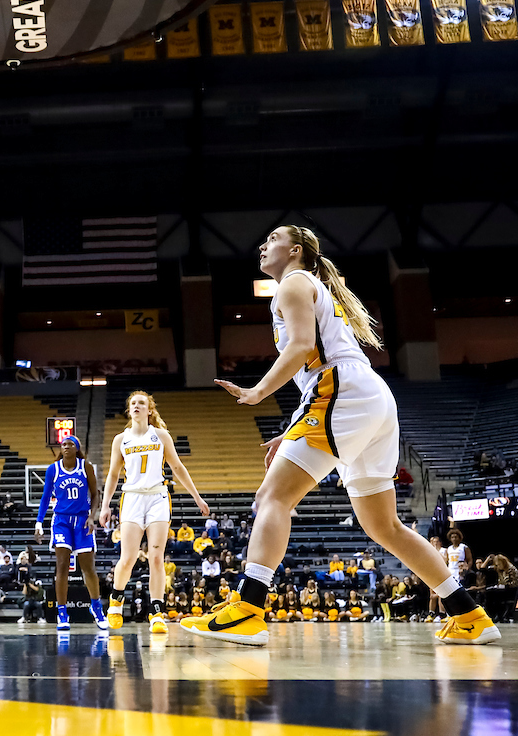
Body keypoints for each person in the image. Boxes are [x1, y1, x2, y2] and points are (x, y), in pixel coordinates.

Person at [185, 225, 499, 646]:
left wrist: (258, 391)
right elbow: (315, 364)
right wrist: (292, 429)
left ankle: (247, 608)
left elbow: (300, 348)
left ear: (295, 251)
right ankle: (469, 615)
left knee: (272, 497)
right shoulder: (309, 285)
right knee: (384, 526)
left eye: (272, 239)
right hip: (365, 398)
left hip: (341, 393)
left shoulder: (293, 282)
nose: (262, 245)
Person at [99, 392, 209, 635]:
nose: (137, 406)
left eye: (142, 403)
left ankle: (156, 612)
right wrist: (105, 505)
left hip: (158, 496)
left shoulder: (161, 435)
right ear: (129, 410)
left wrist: (197, 497)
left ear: (149, 410)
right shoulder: (121, 439)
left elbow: (177, 466)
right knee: (128, 557)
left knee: (156, 557)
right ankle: (116, 601)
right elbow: (113, 474)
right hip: (132, 497)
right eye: (133, 403)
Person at [33, 435, 108, 631]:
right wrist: (39, 522)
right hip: (61, 521)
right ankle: (62, 612)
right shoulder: (53, 469)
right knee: (62, 567)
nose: (66, 446)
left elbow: (95, 494)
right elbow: (45, 496)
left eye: (70, 444)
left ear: (77, 448)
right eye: (64, 444)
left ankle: (96, 607)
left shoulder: (86, 467)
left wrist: (92, 517)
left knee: (88, 567)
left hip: (83, 520)